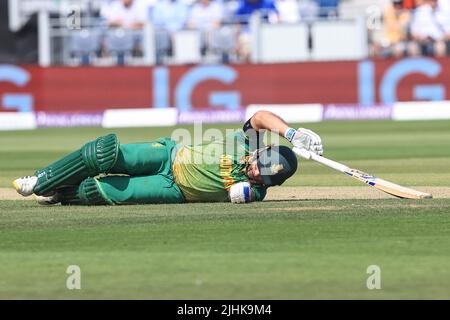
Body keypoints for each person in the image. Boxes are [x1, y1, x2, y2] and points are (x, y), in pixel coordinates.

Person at [12, 111, 323, 205]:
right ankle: (42, 179)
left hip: (174, 190)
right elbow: (261, 116)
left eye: (265, 177)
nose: (256, 173)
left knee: (101, 192)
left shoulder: (257, 190)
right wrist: (292, 134)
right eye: (259, 166)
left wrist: (246, 190)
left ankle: (60, 194)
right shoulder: (249, 140)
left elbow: (242, 194)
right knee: (103, 153)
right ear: (260, 151)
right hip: (170, 155)